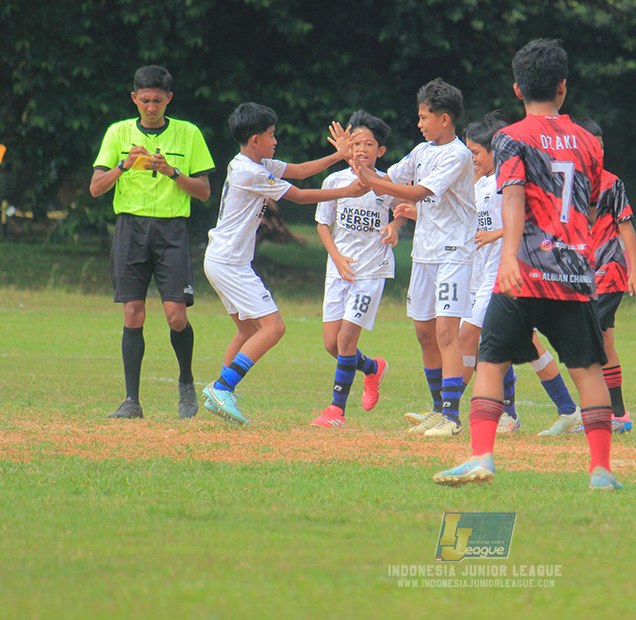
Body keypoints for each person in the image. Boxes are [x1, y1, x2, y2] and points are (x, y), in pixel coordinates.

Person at [433, 38, 624, 490]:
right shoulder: (587, 142)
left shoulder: (510, 138)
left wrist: (509, 258)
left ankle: (482, 456)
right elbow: (591, 206)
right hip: (575, 273)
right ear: (563, 87)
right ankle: (600, 470)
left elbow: (513, 197)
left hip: (524, 271)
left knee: (491, 360)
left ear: (517, 89)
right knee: (588, 371)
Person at [202, 102, 366, 425]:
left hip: (220, 259)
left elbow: (301, 170)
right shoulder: (252, 172)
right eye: (271, 135)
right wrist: (347, 190)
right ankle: (222, 388)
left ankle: (222, 391)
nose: (275, 141)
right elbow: (301, 196)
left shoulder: (250, 163)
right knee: (274, 328)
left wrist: (338, 156)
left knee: (248, 329)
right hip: (230, 263)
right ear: (255, 141)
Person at [353, 79, 476, 438]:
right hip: (424, 253)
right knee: (425, 333)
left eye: (424, 117)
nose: (419, 124)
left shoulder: (458, 155)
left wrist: (372, 179)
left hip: (453, 252)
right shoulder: (422, 151)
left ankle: (452, 418)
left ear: (445, 119)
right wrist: (357, 161)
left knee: (446, 333)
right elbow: (387, 178)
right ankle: (438, 410)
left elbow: (415, 192)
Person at [90, 65, 214, 420]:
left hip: (171, 231)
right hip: (130, 229)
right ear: (134, 98)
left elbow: (204, 192)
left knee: (176, 316)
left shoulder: (188, 135)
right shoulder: (118, 133)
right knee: (132, 312)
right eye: (144, 100)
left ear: (168, 100)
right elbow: (96, 188)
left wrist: (172, 172)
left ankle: (186, 383)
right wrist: (125, 166)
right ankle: (131, 400)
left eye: (158, 100)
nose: (151, 106)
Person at [457, 111, 582, 436]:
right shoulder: (483, 181)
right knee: (515, 342)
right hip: (485, 272)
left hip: (506, 271)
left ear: (494, 151)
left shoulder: (510, 180)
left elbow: (530, 218)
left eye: (476, 153)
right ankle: (559, 410)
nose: (472, 160)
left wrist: (496, 236)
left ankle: (449, 410)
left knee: (469, 336)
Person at [311, 110, 406, 428]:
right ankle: (372, 368)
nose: (362, 148)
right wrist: (336, 257)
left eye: (369, 143)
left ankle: (336, 411)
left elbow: (403, 208)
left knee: (347, 339)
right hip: (339, 270)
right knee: (331, 343)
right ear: (347, 146)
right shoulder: (334, 181)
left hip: (371, 271)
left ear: (380, 151)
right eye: (356, 142)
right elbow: (323, 224)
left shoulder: (386, 183)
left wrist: (395, 224)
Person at [575, 118, 636, 433]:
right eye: (593, 146)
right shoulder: (569, 182)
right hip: (581, 273)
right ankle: (618, 414)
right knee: (604, 341)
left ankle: (597, 414)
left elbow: (626, 228)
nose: (599, 152)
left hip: (609, 270)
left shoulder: (611, 183)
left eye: (602, 146)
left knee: (586, 341)